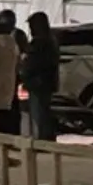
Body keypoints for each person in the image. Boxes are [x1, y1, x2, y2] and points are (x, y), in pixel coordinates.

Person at [20, 11, 62, 142]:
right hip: (44, 82)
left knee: (39, 113)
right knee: (42, 111)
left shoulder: (40, 42)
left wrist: (24, 72)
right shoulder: (51, 40)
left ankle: (42, 140)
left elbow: (33, 63)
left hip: (38, 83)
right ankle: (45, 137)